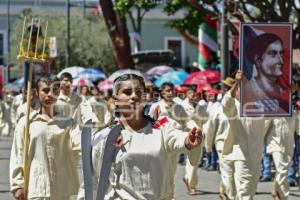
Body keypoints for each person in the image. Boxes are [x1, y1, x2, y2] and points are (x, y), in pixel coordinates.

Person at [78, 74, 203, 200]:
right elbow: (92, 182)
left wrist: (188, 140)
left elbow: (177, 138)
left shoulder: (162, 126)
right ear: (116, 98)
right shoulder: (104, 137)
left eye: (138, 92)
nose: (134, 96)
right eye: (127, 92)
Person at [10, 75, 80, 200]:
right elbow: (18, 153)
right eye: (45, 90)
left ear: (59, 93)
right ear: (37, 92)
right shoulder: (27, 122)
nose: (50, 95)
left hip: (61, 188)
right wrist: (17, 185)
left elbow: (79, 146)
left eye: (54, 91)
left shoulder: (68, 123)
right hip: (36, 187)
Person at [243, 33, 289, 114]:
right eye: (273, 54)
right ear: (257, 60)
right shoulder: (249, 90)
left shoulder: (284, 89)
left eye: (281, 53)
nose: (281, 61)